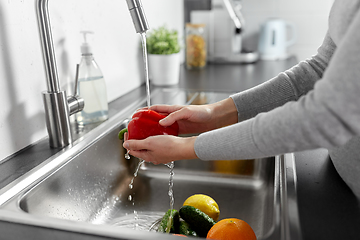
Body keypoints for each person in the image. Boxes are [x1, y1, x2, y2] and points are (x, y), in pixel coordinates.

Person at [124, 1, 360, 198]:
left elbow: (326, 116)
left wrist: (187, 147)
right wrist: (213, 114)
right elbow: (318, 70)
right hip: (340, 183)